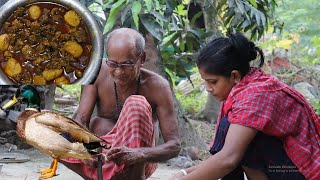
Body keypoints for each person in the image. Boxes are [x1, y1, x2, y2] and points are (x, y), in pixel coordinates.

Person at [170, 32, 320, 180]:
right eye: (206, 82)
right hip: (286, 167)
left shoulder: (255, 95)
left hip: (302, 171)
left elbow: (228, 159)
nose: (208, 88)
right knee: (232, 132)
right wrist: (185, 173)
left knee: (239, 138)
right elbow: (224, 158)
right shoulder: (243, 88)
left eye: (213, 81)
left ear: (234, 76)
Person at [61, 28, 181, 180]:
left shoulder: (158, 87)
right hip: (102, 155)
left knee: (136, 104)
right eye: (112, 63)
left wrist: (139, 153)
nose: (118, 72)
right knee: (51, 131)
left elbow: (174, 145)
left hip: (139, 161)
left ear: (142, 58)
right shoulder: (96, 72)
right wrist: (86, 150)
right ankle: (96, 176)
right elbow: (82, 119)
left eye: (126, 64)